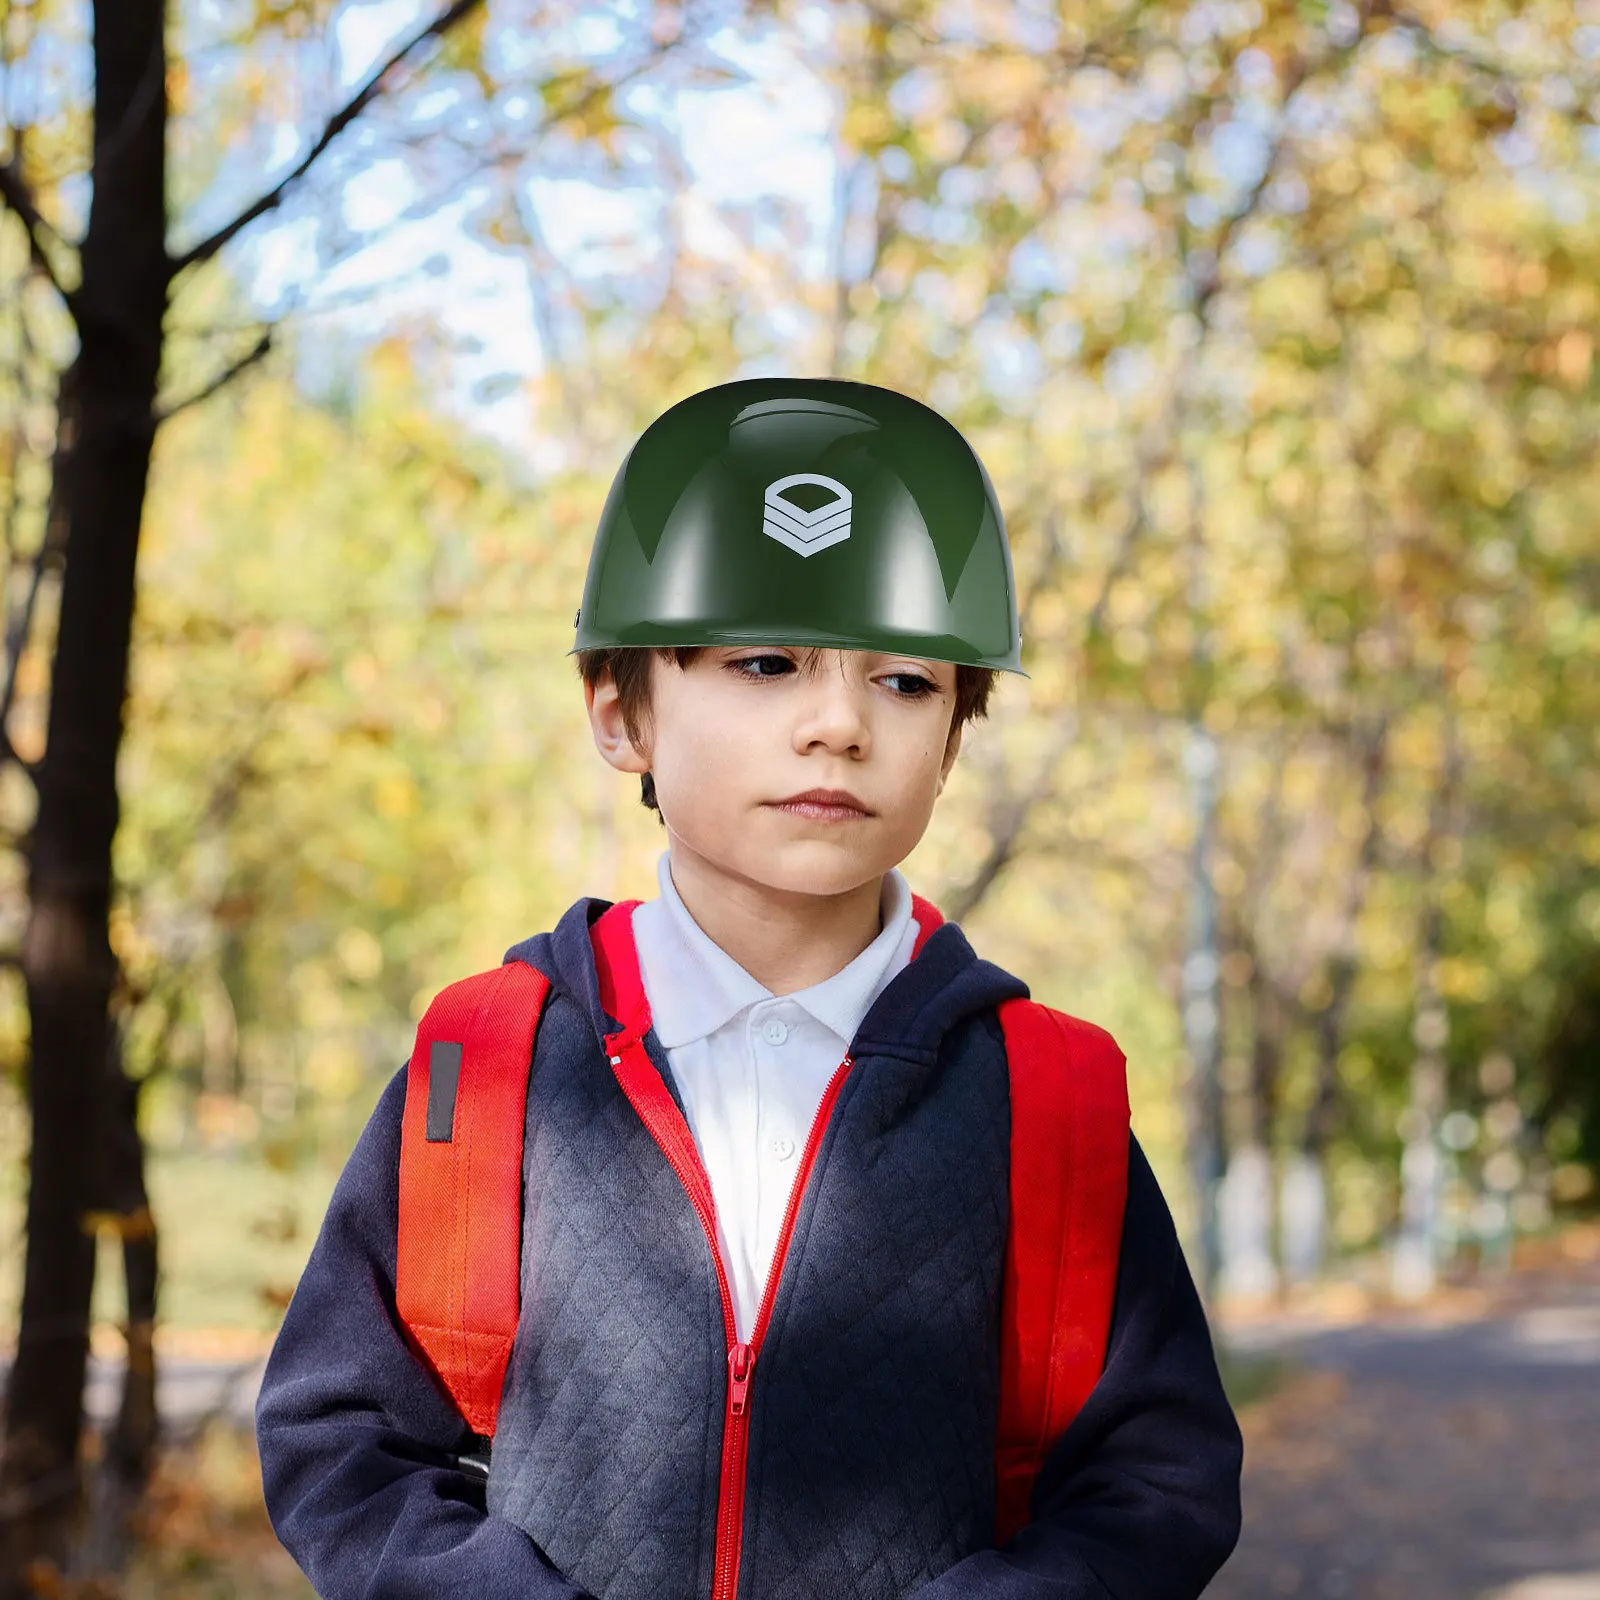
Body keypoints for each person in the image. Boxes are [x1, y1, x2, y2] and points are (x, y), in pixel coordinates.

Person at [255, 378, 1243, 1600]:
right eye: (767, 663)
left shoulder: (1045, 1097)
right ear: (619, 716)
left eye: (905, 682)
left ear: (953, 738)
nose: (838, 724)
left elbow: (1157, 1478)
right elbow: (341, 1435)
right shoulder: (488, 1064)